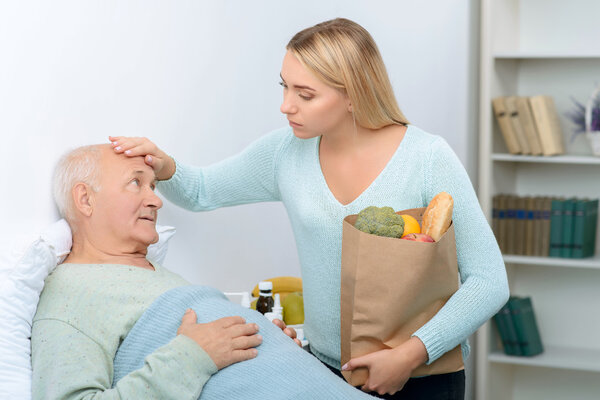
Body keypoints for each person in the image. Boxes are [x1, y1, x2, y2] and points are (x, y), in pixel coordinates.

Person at [109, 18, 509, 399]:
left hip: (423, 377)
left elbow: (489, 281)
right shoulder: (287, 152)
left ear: (353, 93)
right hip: (322, 372)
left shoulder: (426, 157)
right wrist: (164, 166)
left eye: (305, 94)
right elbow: (201, 191)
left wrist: (411, 354)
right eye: (284, 87)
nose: (286, 106)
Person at [34, 144, 372, 400]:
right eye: (136, 183)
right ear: (85, 199)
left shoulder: (154, 274)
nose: (156, 201)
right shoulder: (71, 293)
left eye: (153, 186)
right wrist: (193, 356)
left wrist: (269, 344)